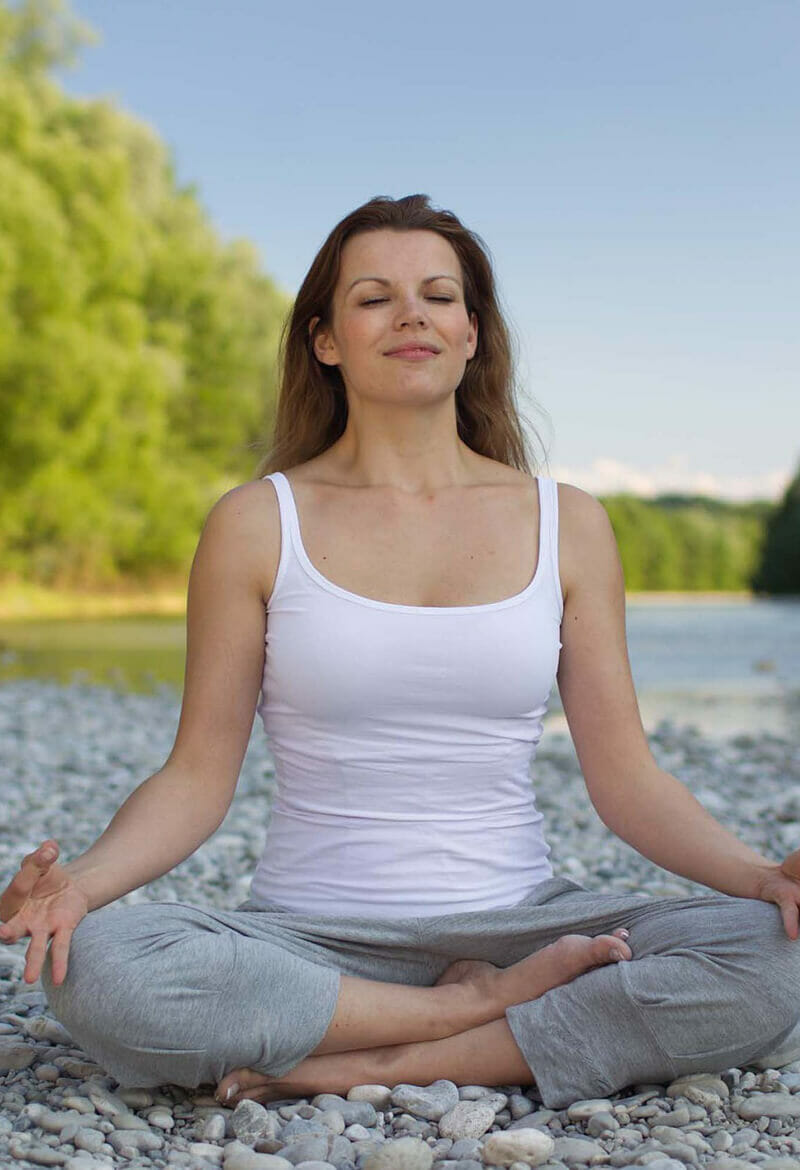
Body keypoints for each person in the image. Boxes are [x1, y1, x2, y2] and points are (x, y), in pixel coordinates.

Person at [1, 194, 799, 1112]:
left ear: (471, 336)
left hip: (524, 921)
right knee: (96, 965)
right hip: (311, 938)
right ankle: (472, 1018)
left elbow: (629, 780)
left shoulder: (568, 522)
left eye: (439, 296)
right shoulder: (258, 523)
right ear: (326, 340)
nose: (412, 314)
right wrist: (81, 887)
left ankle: (369, 1061)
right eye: (375, 297)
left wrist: (757, 876)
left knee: (773, 957)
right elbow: (194, 778)